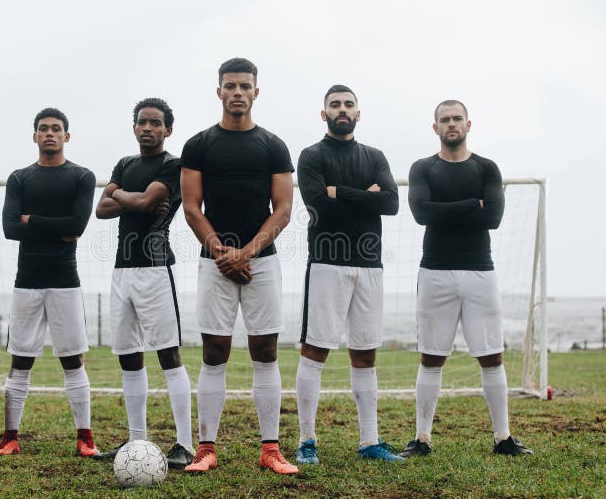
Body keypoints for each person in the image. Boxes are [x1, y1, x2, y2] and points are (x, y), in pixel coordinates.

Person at [180, 58, 298, 475]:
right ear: (218, 92)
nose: (237, 92)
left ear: (255, 92)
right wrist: (221, 252)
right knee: (215, 351)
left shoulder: (273, 145)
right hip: (214, 262)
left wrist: (245, 253)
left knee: (264, 350)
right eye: (229, 86)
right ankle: (205, 449)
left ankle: (271, 449)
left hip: (261, 262)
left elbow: (283, 209)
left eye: (244, 86)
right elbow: (191, 207)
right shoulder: (198, 145)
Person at [401, 100, 533, 457]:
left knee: (492, 356)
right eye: (444, 120)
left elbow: (492, 219)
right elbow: (419, 212)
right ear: (435, 128)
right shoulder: (423, 168)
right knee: (431, 357)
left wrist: (445, 210)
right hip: (435, 272)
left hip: (480, 272)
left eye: (456, 118)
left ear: (469, 124)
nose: (451, 124)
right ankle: (422, 439)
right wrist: (469, 205)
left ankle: (503, 438)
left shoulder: (486, 168)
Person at [294, 85, 403, 464]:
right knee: (315, 350)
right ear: (323, 113)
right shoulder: (311, 155)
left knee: (365, 352)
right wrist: (363, 195)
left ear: (359, 113)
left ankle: (369, 442)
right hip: (326, 264)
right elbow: (318, 206)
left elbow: (391, 203)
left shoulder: (375, 155)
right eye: (335, 105)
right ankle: (307, 441)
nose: (343, 110)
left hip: (370, 264)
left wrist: (340, 192)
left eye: (349, 104)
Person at [92, 98, 194, 469]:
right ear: (134, 127)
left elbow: (149, 199)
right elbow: (101, 210)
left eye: (155, 123)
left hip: (155, 268)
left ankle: (184, 443)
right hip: (122, 270)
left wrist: (122, 197)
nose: (147, 128)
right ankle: (136, 441)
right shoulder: (125, 164)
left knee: (168, 353)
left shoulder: (172, 165)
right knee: (128, 356)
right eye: (141, 122)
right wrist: (126, 198)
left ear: (168, 129)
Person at [0, 107, 99, 457]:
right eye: (43, 129)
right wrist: (58, 227)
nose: (50, 133)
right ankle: (10, 437)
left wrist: (33, 220)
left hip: (65, 282)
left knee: (72, 360)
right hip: (26, 282)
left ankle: (85, 438)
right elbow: (11, 229)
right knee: (20, 360)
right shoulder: (20, 178)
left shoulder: (81, 176)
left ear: (66, 136)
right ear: (34, 136)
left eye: (56, 129)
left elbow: (77, 226)